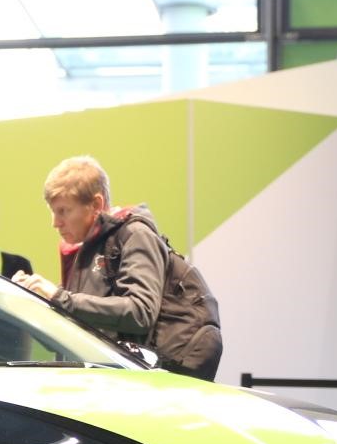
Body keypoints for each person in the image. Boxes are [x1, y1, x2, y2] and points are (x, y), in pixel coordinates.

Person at [13, 155, 224, 381]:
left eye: (63, 211)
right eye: (53, 211)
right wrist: (34, 302)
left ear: (96, 204)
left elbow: (141, 311)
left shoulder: (135, 235)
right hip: (118, 379)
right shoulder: (87, 249)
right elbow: (78, 326)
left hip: (159, 377)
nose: (55, 222)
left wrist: (59, 298)